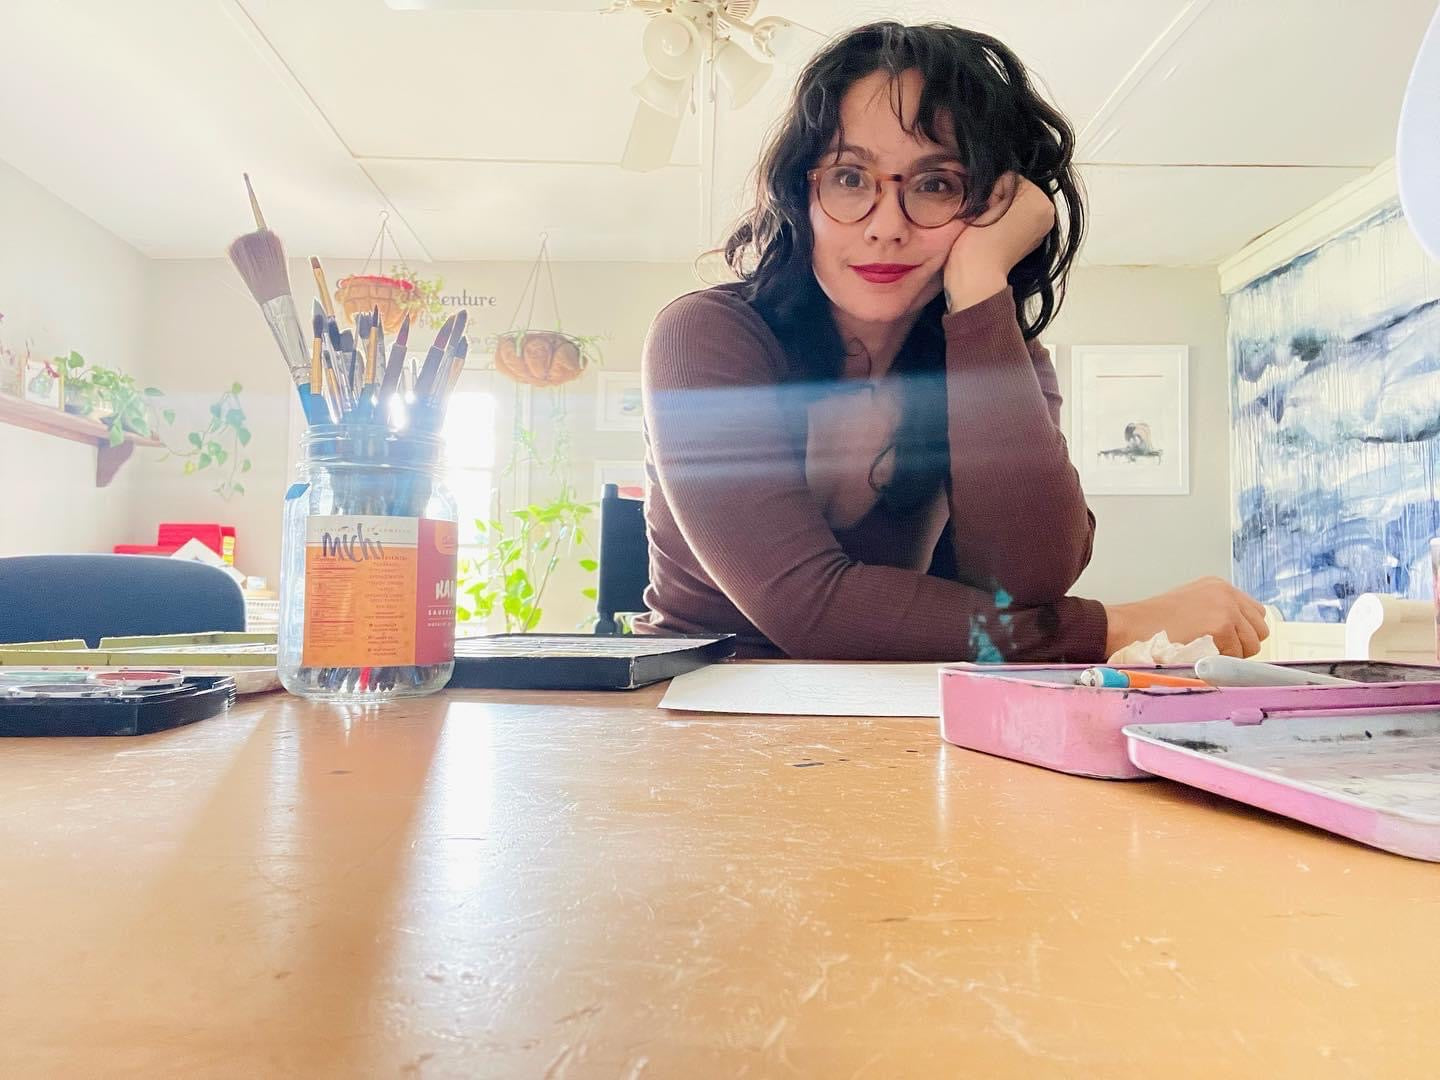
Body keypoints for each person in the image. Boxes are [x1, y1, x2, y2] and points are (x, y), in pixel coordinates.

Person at [635, 21, 1267, 662]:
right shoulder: (706, 337)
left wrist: (980, 286)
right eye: (850, 177)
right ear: (803, 194)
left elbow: (1027, 579)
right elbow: (807, 607)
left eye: (937, 184)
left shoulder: (995, 351)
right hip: (698, 700)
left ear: (992, 205)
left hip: (900, 701)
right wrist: (1115, 627)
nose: (886, 226)